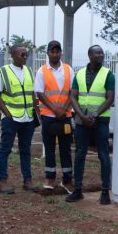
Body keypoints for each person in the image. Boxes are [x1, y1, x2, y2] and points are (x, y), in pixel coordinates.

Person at [66, 45, 115, 205]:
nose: (100, 55)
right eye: (97, 53)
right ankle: (77, 190)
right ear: (89, 55)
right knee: (80, 154)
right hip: (82, 121)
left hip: (100, 121)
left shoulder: (108, 74)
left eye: (102, 53)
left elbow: (110, 98)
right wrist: (81, 116)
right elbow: (73, 97)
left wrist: (94, 115)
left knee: (103, 155)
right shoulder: (79, 73)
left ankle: (105, 191)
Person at [0, 45, 37, 194]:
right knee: (5, 149)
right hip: (11, 118)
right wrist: (7, 114)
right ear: (13, 56)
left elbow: (32, 93)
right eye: (22, 54)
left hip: (27, 118)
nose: (25, 57)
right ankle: (2, 181)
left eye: (26, 54)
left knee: (26, 149)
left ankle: (27, 180)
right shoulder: (3, 71)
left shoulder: (29, 71)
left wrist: (35, 111)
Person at [34, 40, 74, 193]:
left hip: (65, 116)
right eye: (52, 51)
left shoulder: (68, 69)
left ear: (61, 53)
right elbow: (40, 93)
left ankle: (67, 180)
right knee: (49, 148)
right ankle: (50, 177)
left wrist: (64, 109)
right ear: (48, 53)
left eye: (58, 51)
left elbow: (72, 92)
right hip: (48, 116)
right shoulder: (42, 71)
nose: (55, 54)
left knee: (66, 149)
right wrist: (55, 110)